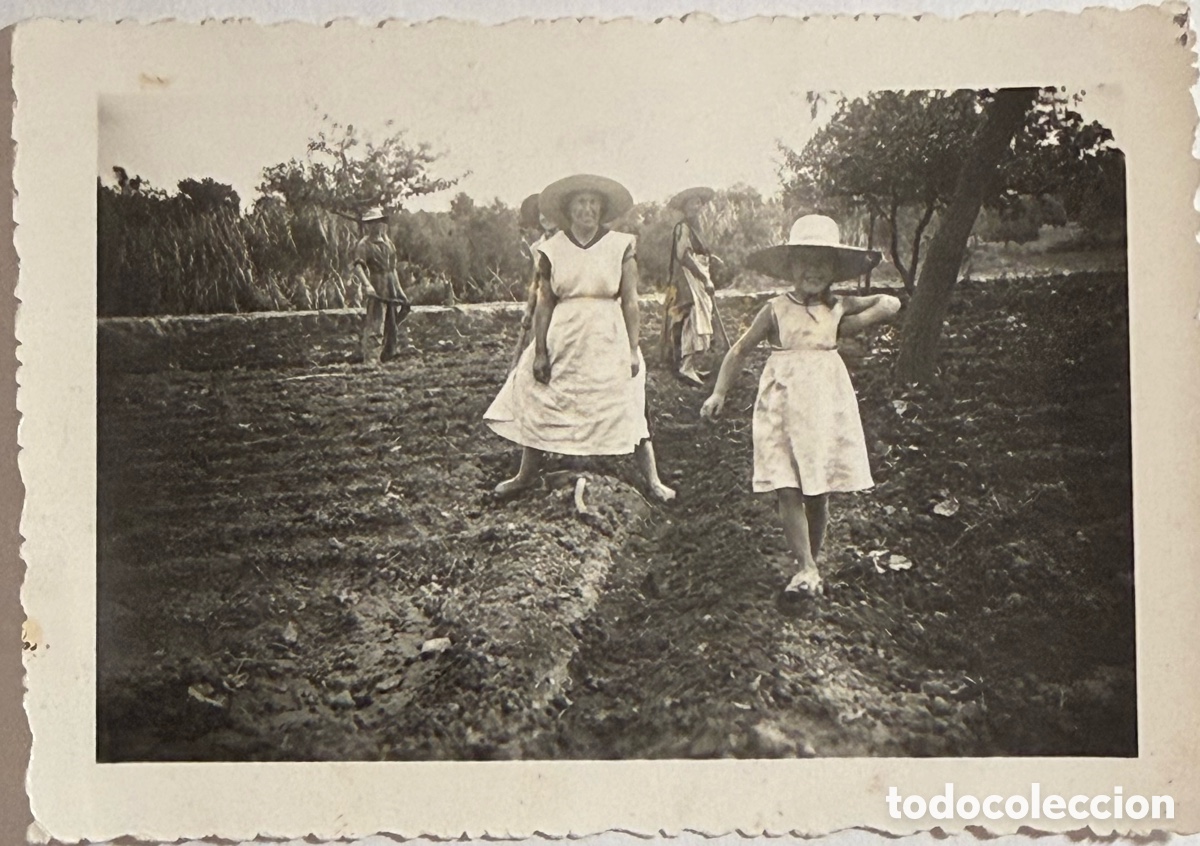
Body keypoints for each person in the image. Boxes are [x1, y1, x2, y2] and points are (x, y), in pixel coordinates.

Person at [700, 215, 900, 598]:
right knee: (786, 485)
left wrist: (867, 312)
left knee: (817, 488)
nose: (812, 270)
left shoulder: (837, 306)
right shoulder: (775, 308)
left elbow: (886, 303)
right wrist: (719, 392)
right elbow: (740, 349)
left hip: (824, 402)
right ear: (790, 268)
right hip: (782, 402)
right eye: (803, 262)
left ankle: (812, 563)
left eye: (822, 262)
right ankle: (805, 565)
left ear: (834, 270)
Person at [484, 174, 676, 503]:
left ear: (602, 209)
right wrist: (541, 350)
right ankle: (524, 475)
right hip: (564, 335)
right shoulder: (551, 249)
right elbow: (545, 301)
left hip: (608, 335)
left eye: (593, 203)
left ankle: (653, 481)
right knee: (541, 398)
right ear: (569, 210)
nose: (587, 209)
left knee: (629, 403)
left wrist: (632, 348)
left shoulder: (621, 245)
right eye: (580, 203)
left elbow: (630, 301)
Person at [661, 186, 718, 387]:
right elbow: (683, 255)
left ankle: (692, 364)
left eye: (699, 203)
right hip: (688, 278)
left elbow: (699, 251)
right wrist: (704, 278)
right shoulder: (682, 227)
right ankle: (686, 366)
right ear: (685, 207)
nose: (697, 206)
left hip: (698, 277)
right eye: (693, 203)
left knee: (701, 317)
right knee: (692, 318)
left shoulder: (696, 228)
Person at [352, 207, 412, 365]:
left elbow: (393, 268)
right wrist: (367, 285)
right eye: (369, 223)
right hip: (377, 283)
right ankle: (371, 360)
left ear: (381, 223)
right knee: (376, 323)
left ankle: (388, 354)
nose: (374, 226)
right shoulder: (364, 244)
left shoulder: (388, 243)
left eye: (376, 222)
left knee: (394, 320)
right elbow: (358, 267)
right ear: (366, 226)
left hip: (391, 283)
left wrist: (399, 290)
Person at [510, 193, 559, 371]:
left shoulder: (568, 242)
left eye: (550, 213)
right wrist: (529, 311)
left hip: (563, 305)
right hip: (543, 307)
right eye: (541, 214)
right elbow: (535, 282)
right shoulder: (536, 247)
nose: (546, 218)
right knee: (538, 352)